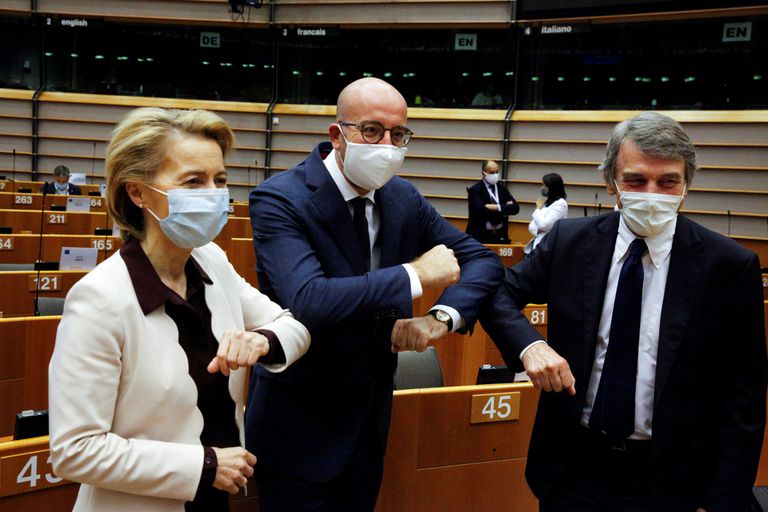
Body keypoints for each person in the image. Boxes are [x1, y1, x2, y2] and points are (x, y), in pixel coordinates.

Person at [480, 111, 766, 511]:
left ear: (686, 186)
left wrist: (720, 500)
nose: (652, 192)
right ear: (611, 184)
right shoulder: (570, 241)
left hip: (674, 479)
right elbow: (497, 294)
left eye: (668, 181)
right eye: (635, 180)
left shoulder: (729, 266)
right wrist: (530, 347)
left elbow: (744, 399)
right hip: (573, 467)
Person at [246, 77, 503, 512]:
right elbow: (309, 299)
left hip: (370, 423)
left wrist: (439, 317)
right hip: (300, 425)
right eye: (371, 131)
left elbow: (484, 260)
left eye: (398, 134)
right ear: (337, 135)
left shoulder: (402, 197)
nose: (387, 144)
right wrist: (413, 275)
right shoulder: (280, 198)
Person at [48, 107, 311, 512]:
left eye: (219, 180)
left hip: (214, 500)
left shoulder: (211, 261)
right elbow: (76, 450)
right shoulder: (99, 298)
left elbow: (292, 326)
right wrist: (203, 466)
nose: (213, 193)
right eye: (193, 181)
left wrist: (261, 340)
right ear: (137, 192)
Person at [466, 160, 519, 244]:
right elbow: (480, 211)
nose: (495, 175)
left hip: (500, 237)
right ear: (484, 174)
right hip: (479, 238)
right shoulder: (475, 190)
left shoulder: (502, 189)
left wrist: (497, 207)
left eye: (497, 172)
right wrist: (504, 211)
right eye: (492, 172)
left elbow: (515, 208)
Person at [525, 172, 568, 254]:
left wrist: (537, 209)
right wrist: (540, 229)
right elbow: (531, 226)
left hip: (549, 248)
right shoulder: (546, 203)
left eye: (544, 185)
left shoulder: (561, 204)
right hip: (537, 247)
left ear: (551, 187)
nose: (542, 188)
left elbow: (544, 225)